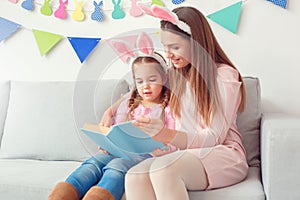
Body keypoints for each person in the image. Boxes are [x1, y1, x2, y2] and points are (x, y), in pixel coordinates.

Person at [101, 6, 249, 200]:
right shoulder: (174, 75)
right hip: (183, 153)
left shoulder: (224, 76)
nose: (168, 54)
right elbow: (138, 90)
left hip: (222, 154)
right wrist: (110, 111)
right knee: (134, 176)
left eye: (175, 47)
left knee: (164, 170)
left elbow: (214, 137)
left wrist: (165, 134)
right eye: (166, 46)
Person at [48, 41, 176, 199]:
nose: (146, 87)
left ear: (164, 78)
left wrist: (164, 151)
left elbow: (174, 139)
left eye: (152, 79)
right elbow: (117, 132)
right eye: (140, 81)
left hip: (145, 156)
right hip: (119, 151)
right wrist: (107, 143)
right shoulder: (128, 105)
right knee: (93, 162)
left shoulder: (168, 108)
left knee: (116, 166)